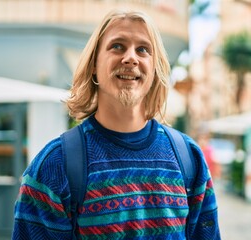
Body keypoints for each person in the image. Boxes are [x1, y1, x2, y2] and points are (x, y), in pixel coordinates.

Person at [12, 9, 221, 239]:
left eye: (143, 49)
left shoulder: (189, 158)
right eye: (117, 46)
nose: (131, 58)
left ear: (154, 69)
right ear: (94, 64)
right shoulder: (53, 166)